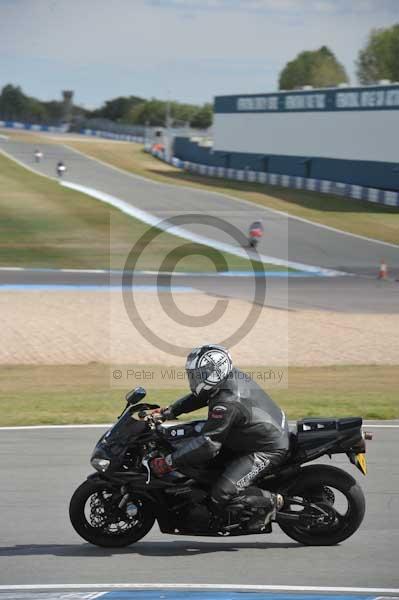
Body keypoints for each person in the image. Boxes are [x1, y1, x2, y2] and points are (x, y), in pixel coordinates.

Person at [151, 344, 289, 531]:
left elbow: (209, 444)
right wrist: (169, 411)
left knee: (221, 493)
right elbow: (201, 395)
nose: (194, 378)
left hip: (267, 447)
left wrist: (170, 461)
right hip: (256, 433)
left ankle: (272, 501)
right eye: (194, 374)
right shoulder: (225, 378)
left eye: (199, 374)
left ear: (215, 371)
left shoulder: (226, 402)